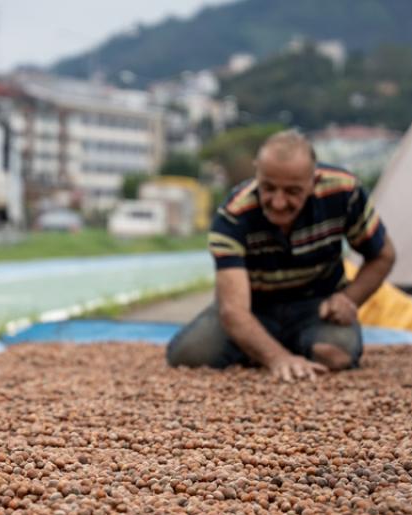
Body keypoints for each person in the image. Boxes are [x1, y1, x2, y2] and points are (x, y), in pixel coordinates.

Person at [166, 130, 396, 381]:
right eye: (268, 188)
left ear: (313, 181)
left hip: (318, 304)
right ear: (257, 173)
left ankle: (261, 347)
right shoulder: (233, 215)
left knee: (335, 354)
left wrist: (349, 298)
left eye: (292, 191)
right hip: (255, 307)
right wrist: (277, 358)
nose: (278, 202)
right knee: (189, 354)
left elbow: (383, 255)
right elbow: (234, 310)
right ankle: (264, 345)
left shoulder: (344, 192)